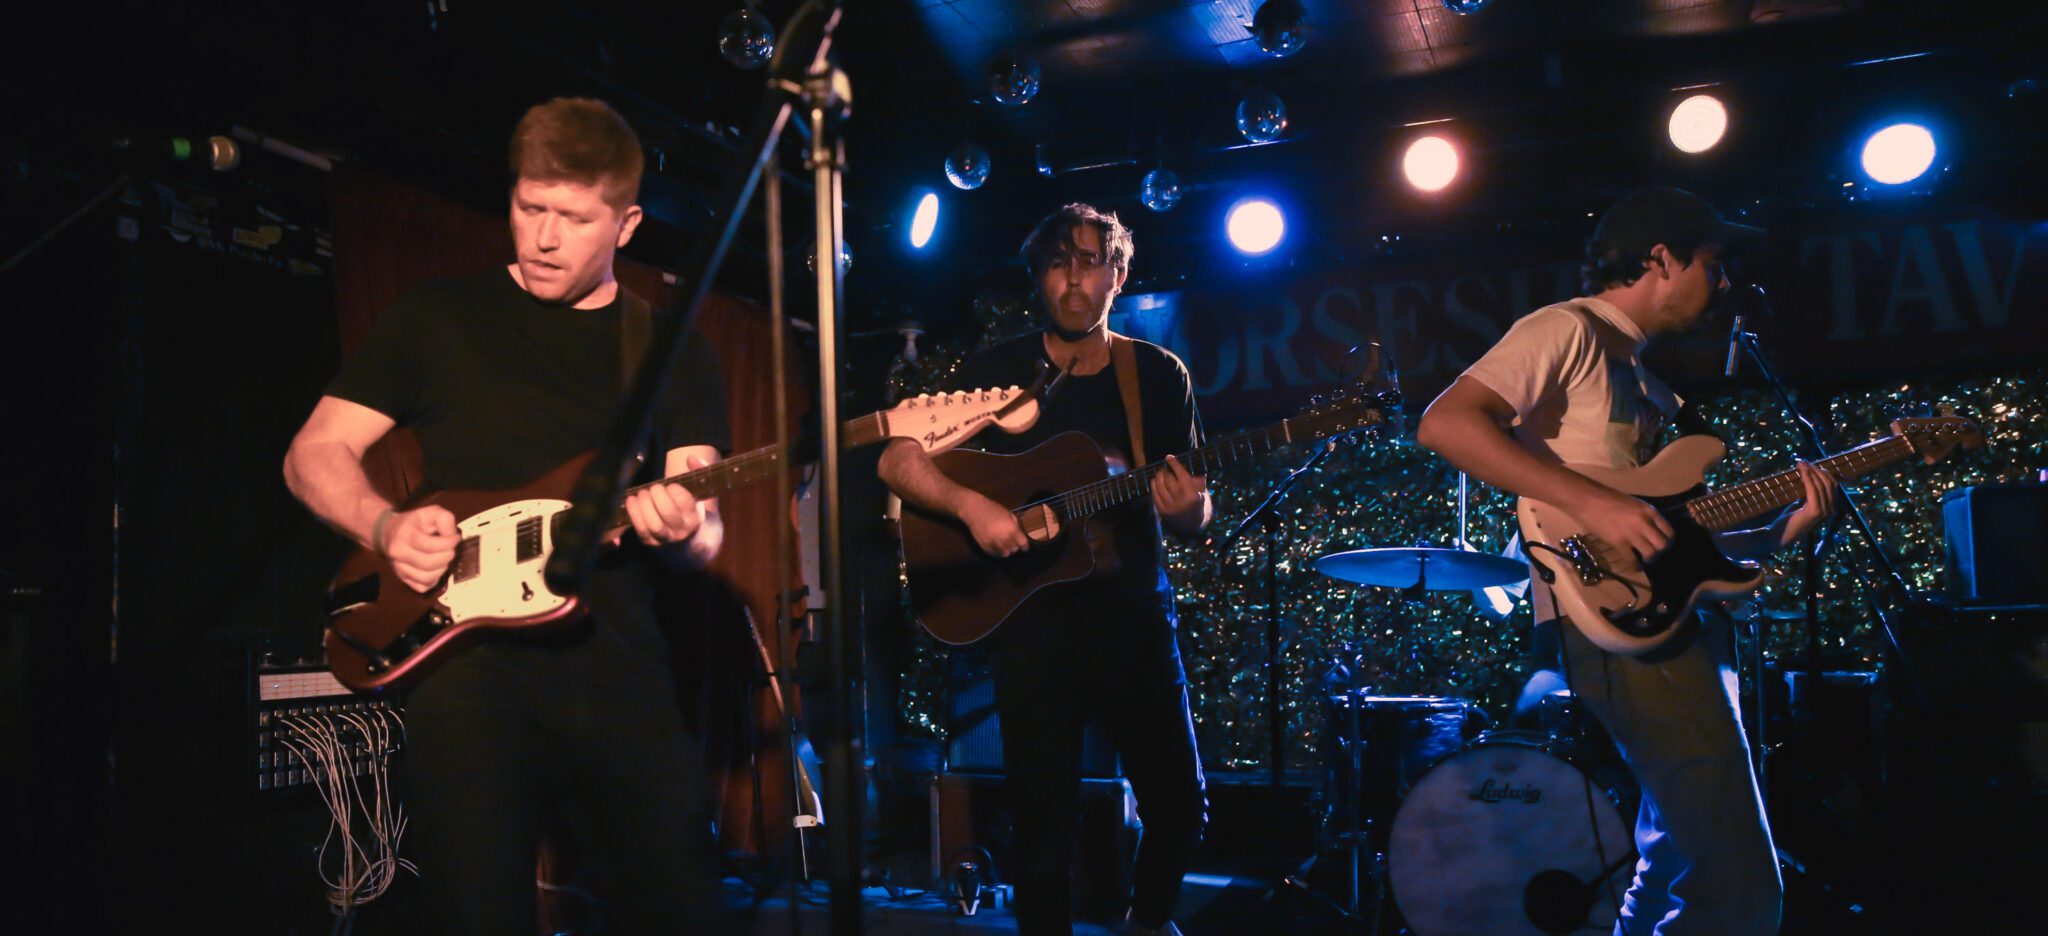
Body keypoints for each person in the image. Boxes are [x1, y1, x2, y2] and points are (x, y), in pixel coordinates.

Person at [283, 97, 730, 933]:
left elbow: (700, 522)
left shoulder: (671, 351)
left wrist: (686, 527)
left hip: (621, 672)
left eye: (574, 217)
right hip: (468, 676)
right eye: (529, 209)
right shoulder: (436, 318)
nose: (544, 238)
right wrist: (384, 529)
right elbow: (312, 454)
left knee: (682, 909)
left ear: (627, 224)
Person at [1415, 187, 1841, 935]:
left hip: (1674, 620)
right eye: (1713, 263)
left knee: (1675, 848)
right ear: (1661, 260)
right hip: (1612, 626)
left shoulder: (1649, 385)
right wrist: (1594, 504)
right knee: (1740, 884)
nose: (1726, 283)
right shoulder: (1566, 329)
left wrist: (1784, 530)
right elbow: (1447, 422)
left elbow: (1675, 543)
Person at [878, 204, 1210, 936]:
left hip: (1133, 619)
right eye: (1057, 263)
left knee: (1182, 806)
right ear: (1038, 277)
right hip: (1033, 626)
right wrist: (972, 509)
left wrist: (1185, 508)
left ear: (1118, 276)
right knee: (1040, 834)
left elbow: (1196, 514)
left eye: (1089, 262)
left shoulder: (1155, 375)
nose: (1072, 279)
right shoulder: (997, 371)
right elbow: (898, 457)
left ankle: (1148, 923)